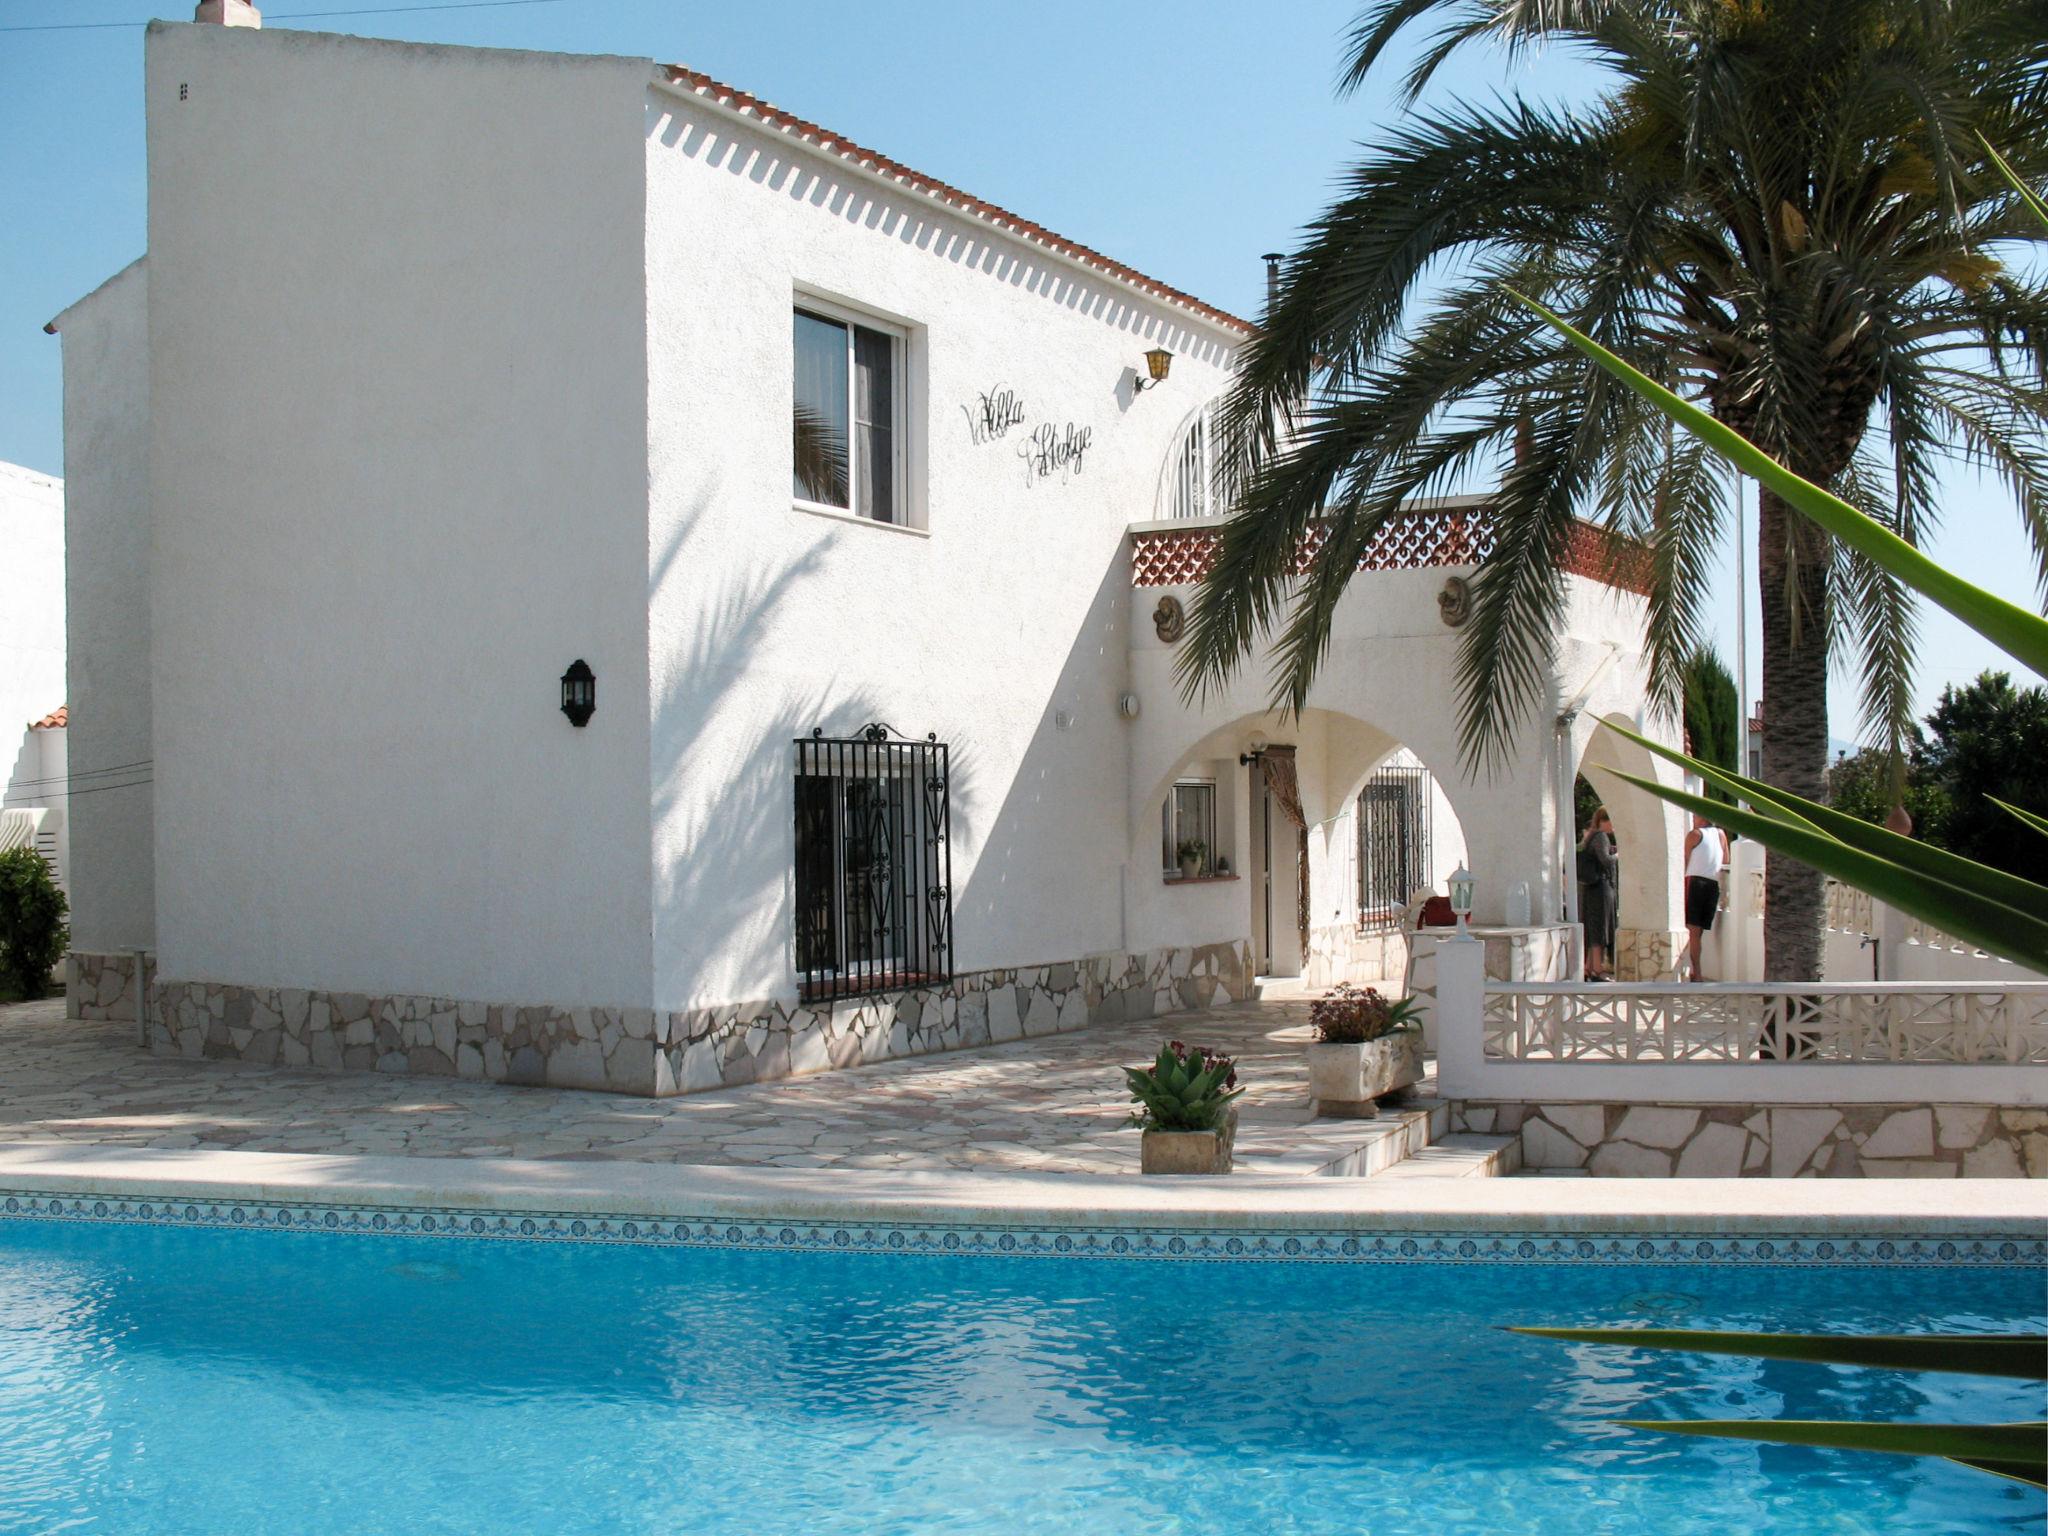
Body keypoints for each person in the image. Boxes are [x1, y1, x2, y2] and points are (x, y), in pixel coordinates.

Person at [1683, 811, 1729, 981]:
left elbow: (1684, 860)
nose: (1693, 819)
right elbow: (1725, 859)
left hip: (1694, 882)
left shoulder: (1695, 835)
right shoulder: (1721, 834)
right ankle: (1696, 971)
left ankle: (1697, 973)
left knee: (1693, 930)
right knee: (1698, 931)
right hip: (1712, 884)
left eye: (1695, 816)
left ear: (1702, 817)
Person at [1576, 807, 1618, 981]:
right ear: (1604, 820)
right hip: (1600, 888)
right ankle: (1597, 969)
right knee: (1599, 928)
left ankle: (1588, 967)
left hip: (1591, 888)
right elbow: (1605, 860)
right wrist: (1617, 855)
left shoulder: (1591, 836)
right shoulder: (1600, 836)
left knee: (1593, 926)